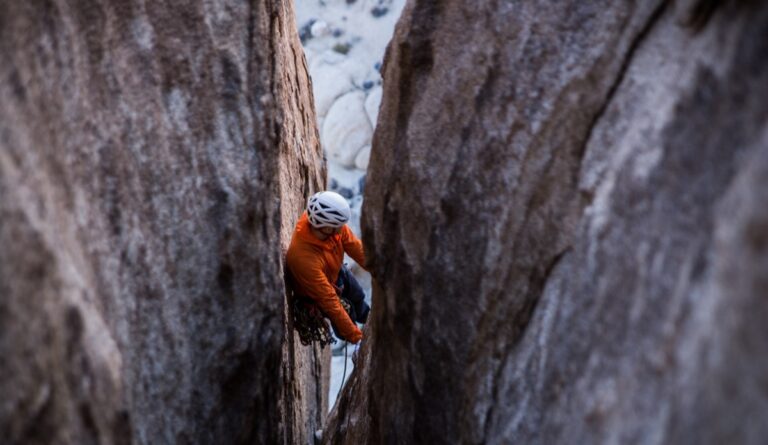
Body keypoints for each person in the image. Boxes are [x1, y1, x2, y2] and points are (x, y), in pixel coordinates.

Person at [286, 191, 371, 344]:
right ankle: (353, 334)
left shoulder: (330, 227)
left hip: (335, 272)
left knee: (357, 296)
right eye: (338, 226)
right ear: (326, 228)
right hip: (317, 293)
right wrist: (357, 338)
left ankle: (367, 317)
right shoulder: (303, 258)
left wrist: (382, 271)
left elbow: (357, 249)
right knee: (347, 313)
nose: (342, 228)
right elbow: (330, 302)